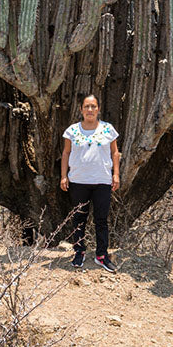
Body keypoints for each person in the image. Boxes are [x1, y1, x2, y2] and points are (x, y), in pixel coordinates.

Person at [60, 94, 119, 272]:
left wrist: (116, 174)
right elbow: (66, 153)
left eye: (93, 106)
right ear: (81, 110)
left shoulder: (108, 129)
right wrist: (64, 176)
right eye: (87, 106)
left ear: (98, 109)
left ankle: (102, 255)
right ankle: (79, 252)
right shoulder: (72, 130)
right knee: (79, 219)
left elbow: (115, 153)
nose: (90, 110)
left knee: (101, 220)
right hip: (78, 181)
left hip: (102, 180)